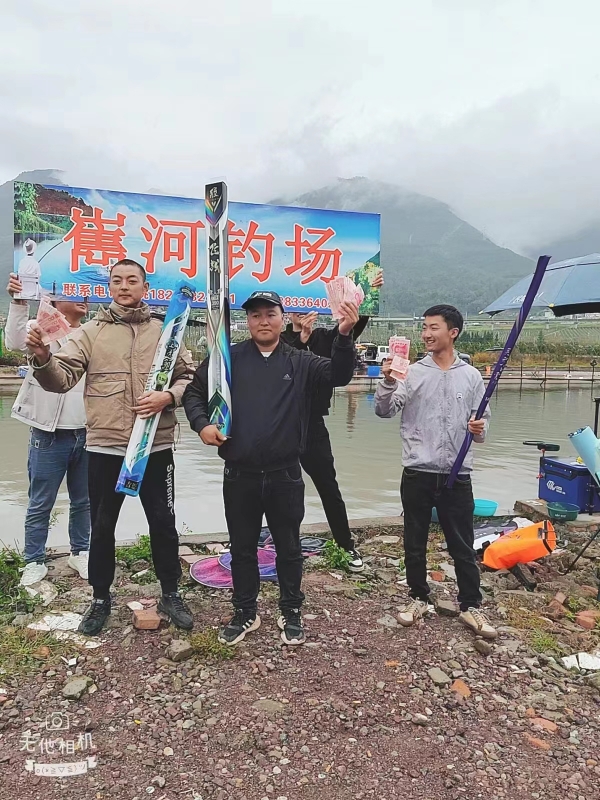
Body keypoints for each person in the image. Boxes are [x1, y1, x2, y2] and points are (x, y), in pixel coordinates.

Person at [25, 259, 194, 636]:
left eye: (131, 280)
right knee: (102, 527)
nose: (123, 287)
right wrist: (42, 358)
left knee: (164, 524)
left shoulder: (166, 332)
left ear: (145, 287)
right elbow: (62, 378)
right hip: (104, 446)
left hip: (156, 446)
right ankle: (100, 598)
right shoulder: (89, 333)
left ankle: (171, 592)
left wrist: (167, 396)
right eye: (116, 281)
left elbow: (189, 379)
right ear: (109, 288)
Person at [182, 290, 357, 647]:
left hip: (285, 475)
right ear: (248, 321)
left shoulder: (301, 361)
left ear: (282, 318)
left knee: (289, 547)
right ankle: (245, 611)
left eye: (270, 314)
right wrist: (202, 425)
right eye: (256, 315)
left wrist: (343, 334)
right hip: (239, 474)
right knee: (243, 547)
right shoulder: (227, 359)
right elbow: (193, 394)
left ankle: (291, 609)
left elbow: (339, 375)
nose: (264, 321)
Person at [374, 304, 497, 640]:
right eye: (424, 327)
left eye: (434, 328)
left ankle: (470, 605)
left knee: (462, 543)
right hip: (418, 471)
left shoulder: (471, 377)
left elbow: (484, 428)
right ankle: (418, 598)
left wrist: (478, 428)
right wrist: (386, 382)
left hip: (458, 474)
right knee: (414, 541)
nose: (426, 334)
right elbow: (384, 411)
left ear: (452, 332)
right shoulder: (410, 372)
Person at [280, 270, 384, 572]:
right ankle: (282, 546)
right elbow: (285, 373)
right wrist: (300, 341)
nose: (300, 311)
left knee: (329, 487)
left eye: (304, 305)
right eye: (294, 306)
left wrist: (369, 294)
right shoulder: (279, 340)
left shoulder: (326, 337)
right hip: (281, 426)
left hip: (313, 426)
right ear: (286, 311)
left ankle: (346, 545)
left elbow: (349, 330)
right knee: (279, 489)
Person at [6, 274, 90, 586]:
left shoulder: (92, 334)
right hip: (48, 433)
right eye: (73, 291)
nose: (83, 298)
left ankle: (81, 552)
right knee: (41, 501)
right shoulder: (41, 330)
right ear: (53, 300)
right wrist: (18, 303)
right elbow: (15, 342)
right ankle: (34, 559)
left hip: (88, 432)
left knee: (85, 501)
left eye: (85, 292)